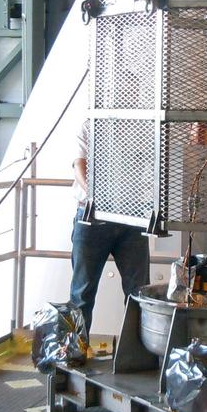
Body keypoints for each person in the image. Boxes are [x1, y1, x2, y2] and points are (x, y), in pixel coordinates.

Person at [69, 118, 150, 336]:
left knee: (138, 291)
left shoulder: (140, 125)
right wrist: (98, 197)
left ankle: (137, 351)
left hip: (129, 216)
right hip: (93, 216)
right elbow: (80, 164)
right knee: (82, 292)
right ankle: (75, 350)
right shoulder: (88, 125)